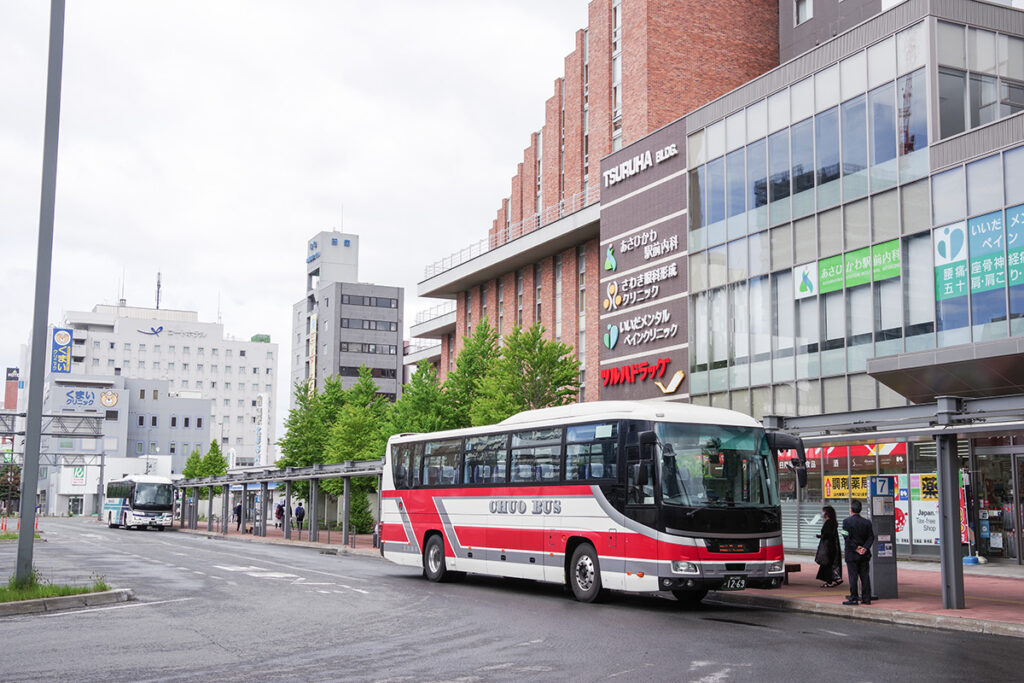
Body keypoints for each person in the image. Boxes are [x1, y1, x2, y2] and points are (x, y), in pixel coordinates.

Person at [842, 499, 875, 606]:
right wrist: (864, 548)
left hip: (852, 554)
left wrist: (856, 548)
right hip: (864, 554)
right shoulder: (867, 522)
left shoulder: (846, 522)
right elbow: (871, 537)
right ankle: (866, 598)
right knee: (865, 576)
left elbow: (845, 536)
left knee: (853, 576)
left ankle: (854, 598)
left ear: (851, 510)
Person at [814, 505, 843, 588]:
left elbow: (827, 534)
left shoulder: (829, 522)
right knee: (830, 564)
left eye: (824, 512)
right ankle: (835, 579)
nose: (822, 513)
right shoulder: (833, 522)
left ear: (827, 513)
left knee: (828, 564)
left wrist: (821, 536)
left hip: (828, 547)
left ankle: (831, 581)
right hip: (832, 546)